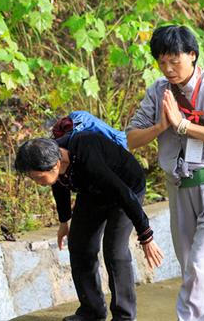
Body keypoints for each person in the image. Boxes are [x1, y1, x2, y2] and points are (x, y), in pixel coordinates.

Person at [126, 25, 204, 321]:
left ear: (192, 55)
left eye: (174, 61)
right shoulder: (158, 91)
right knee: (194, 272)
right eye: (161, 62)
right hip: (179, 190)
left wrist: (182, 126)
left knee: (201, 269)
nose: (168, 69)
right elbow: (129, 138)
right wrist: (160, 128)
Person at [15, 133, 164, 321]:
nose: (36, 182)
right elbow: (59, 185)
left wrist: (146, 235)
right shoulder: (55, 157)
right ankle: (91, 311)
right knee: (79, 245)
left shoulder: (87, 155)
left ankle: (124, 316)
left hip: (126, 189)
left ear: (55, 165)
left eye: (37, 177)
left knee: (114, 251)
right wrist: (64, 222)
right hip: (93, 191)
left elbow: (123, 193)